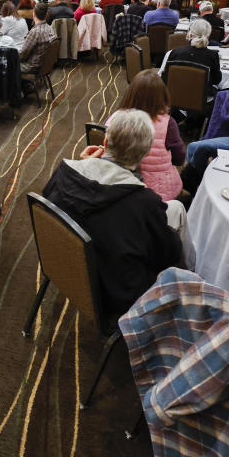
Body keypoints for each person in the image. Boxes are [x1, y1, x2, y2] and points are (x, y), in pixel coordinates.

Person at [43, 109, 183, 315]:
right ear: (143, 155)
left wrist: (84, 164)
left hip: (63, 265)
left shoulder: (64, 171)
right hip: (117, 294)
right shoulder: (144, 202)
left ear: (105, 143)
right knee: (176, 211)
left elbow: (49, 205)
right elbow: (168, 255)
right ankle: (190, 286)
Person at [116, 71, 184, 201]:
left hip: (125, 186)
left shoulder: (116, 119)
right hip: (161, 191)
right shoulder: (168, 123)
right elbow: (179, 158)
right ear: (162, 95)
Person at [163, 19, 221, 89]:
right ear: (208, 36)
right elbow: (216, 80)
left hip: (175, 96)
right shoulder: (212, 55)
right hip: (203, 98)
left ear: (190, 35)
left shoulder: (174, 53)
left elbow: (164, 77)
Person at [19, 2, 56, 75]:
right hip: (44, 66)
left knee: (7, 64)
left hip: (32, 67)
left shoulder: (35, 32)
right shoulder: (50, 28)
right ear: (46, 15)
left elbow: (22, 56)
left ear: (34, 14)